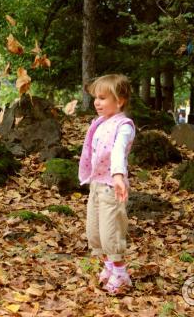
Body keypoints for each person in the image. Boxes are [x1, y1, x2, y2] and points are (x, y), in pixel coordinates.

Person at [78, 74, 136, 295]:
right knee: (94, 232)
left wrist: (119, 175)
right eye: (95, 97)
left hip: (112, 187)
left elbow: (118, 151)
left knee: (110, 232)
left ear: (119, 100)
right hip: (96, 185)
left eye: (102, 98)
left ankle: (121, 275)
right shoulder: (100, 123)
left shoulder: (124, 126)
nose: (96, 102)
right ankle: (109, 267)